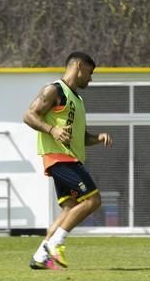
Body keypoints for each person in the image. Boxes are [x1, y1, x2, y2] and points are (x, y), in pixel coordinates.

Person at [22, 51, 112, 269]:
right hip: (59, 158)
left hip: (69, 158)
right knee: (93, 200)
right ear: (79, 66)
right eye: (90, 73)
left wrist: (97, 138)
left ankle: (40, 256)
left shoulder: (77, 100)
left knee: (70, 207)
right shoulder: (54, 89)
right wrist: (52, 130)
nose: (90, 79)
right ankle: (56, 244)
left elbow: (79, 137)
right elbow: (29, 116)